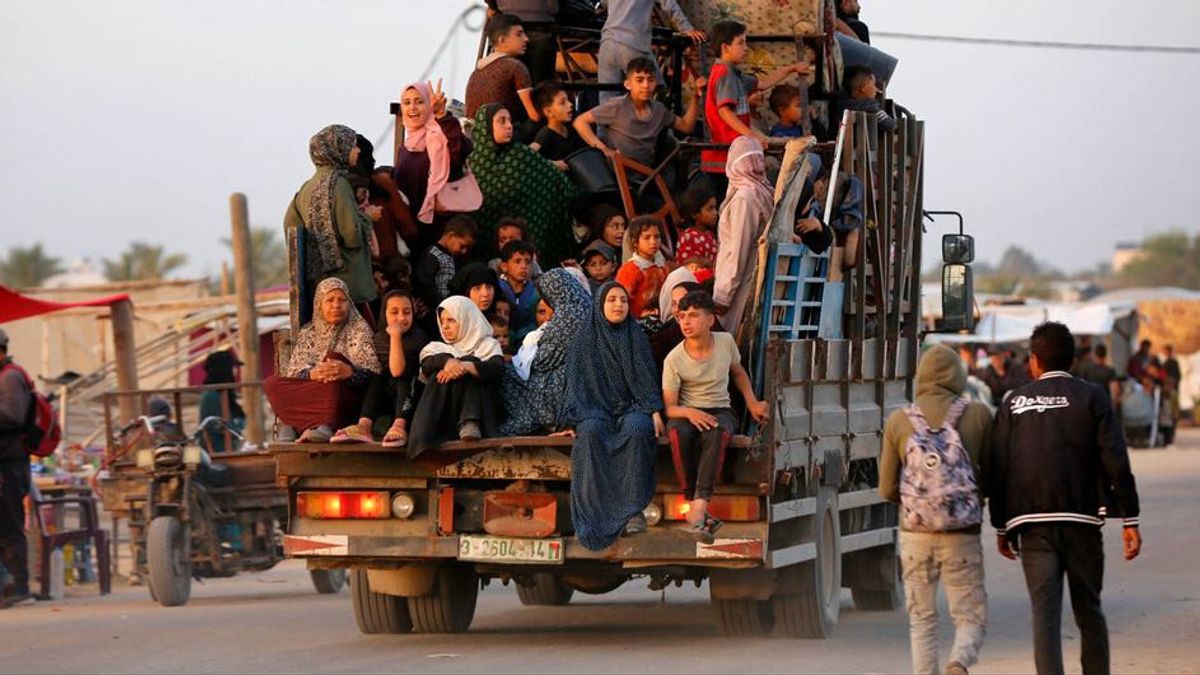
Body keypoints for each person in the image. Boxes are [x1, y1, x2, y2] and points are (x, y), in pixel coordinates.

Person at [989, 322, 1142, 675]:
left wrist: (1001, 524)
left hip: (1033, 525)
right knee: (1089, 608)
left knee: (1044, 615)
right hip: (1083, 522)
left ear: (1034, 361)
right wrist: (1130, 518)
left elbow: (999, 466)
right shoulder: (1093, 397)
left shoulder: (1014, 402)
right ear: (1072, 361)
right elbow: (1116, 458)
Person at [880, 344, 993, 675]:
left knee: (922, 621)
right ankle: (959, 661)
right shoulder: (978, 415)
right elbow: (995, 476)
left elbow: (887, 488)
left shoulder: (900, 421)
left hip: (916, 535)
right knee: (970, 617)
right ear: (958, 376)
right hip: (963, 534)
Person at [561, 282, 664, 550]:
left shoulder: (635, 335)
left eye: (623, 300)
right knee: (591, 432)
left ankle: (631, 512)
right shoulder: (585, 338)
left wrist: (653, 409)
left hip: (633, 406)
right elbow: (575, 384)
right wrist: (573, 419)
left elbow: (646, 379)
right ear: (600, 305)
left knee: (638, 429)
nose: (618, 305)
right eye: (612, 300)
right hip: (594, 408)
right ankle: (595, 514)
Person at [664, 291, 768, 537]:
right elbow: (670, 407)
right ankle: (691, 499)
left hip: (721, 409)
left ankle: (700, 504)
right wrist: (690, 413)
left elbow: (738, 373)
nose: (686, 323)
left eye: (693, 316)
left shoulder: (725, 342)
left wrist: (752, 403)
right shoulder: (674, 359)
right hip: (687, 411)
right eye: (682, 316)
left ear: (710, 320)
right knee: (679, 434)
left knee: (715, 432)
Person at [265, 278, 381, 443]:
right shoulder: (308, 332)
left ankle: (307, 426)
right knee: (272, 384)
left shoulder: (360, 330)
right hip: (314, 396)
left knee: (333, 361)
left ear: (349, 304)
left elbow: (374, 376)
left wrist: (349, 372)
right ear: (319, 303)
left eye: (342, 300)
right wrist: (312, 375)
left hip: (346, 399)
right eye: (330, 300)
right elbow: (295, 373)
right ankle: (304, 426)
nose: (336, 305)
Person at [285, 124, 380, 323]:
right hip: (350, 287)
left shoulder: (306, 188)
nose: (358, 150)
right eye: (353, 145)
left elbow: (290, 227)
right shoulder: (340, 184)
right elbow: (352, 236)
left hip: (323, 289)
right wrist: (367, 219)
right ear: (339, 149)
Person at [701, 20, 811, 184]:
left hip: (732, 154)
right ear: (725, 48)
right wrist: (752, 136)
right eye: (741, 43)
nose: (746, 48)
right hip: (725, 155)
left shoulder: (734, 74)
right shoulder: (724, 73)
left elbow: (762, 83)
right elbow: (725, 112)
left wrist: (791, 68)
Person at [472, 103, 578, 267]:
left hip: (532, 252)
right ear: (485, 126)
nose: (509, 126)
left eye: (509, 120)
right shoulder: (473, 164)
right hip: (489, 254)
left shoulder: (522, 155)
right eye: (501, 121)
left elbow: (559, 185)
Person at [329, 290, 430, 448]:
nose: (401, 318)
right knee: (377, 376)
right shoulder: (378, 339)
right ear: (384, 314)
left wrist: (395, 336)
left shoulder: (418, 338)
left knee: (404, 377)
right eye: (394, 312)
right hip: (385, 400)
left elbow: (397, 370)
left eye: (407, 312)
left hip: (410, 401)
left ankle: (399, 426)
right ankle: (364, 426)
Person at [408, 297, 506, 457]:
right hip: (447, 412)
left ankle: (470, 420)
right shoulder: (437, 347)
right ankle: (425, 433)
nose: (445, 326)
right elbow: (426, 364)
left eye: (451, 320)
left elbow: (497, 370)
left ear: (466, 318)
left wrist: (466, 366)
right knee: (437, 373)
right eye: (442, 320)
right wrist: (447, 362)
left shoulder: (488, 344)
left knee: (470, 361)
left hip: (484, 412)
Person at [501, 269, 593, 436]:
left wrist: (521, 358)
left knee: (506, 374)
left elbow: (543, 361)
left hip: (567, 385)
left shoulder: (569, 314)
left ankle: (526, 421)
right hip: (584, 383)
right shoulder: (587, 305)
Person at [576, 56, 704, 170]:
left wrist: (696, 97)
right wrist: (604, 150)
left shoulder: (659, 110)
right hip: (618, 172)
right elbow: (580, 122)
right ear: (628, 84)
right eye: (639, 80)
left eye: (651, 80)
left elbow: (686, 126)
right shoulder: (617, 106)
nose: (646, 85)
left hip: (645, 173)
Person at [392, 81, 474, 255]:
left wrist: (442, 115)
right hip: (412, 230)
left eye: (419, 101)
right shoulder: (407, 145)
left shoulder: (439, 135)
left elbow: (459, 150)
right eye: (407, 103)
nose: (412, 108)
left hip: (439, 231)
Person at [713, 136, 774, 339]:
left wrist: (723, 295)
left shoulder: (745, 198)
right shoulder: (763, 191)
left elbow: (738, 249)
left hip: (738, 285)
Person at [597, 0, 705, 102]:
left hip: (607, 42)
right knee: (656, 89)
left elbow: (603, 4)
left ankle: (608, 121)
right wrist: (686, 28)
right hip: (632, 42)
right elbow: (668, 4)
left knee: (607, 99)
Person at [465, 14, 540, 138]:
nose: (526, 39)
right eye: (519, 34)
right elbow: (534, 115)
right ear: (502, 40)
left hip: (479, 141)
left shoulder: (476, 72)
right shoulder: (515, 67)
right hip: (506, 141)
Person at [0, 329, 33, 606]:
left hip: (10, 464)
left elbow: (13, 415)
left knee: (9, 524)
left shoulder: (10, 376)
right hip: (5, 463)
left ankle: (19, 588)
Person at [414, 215, 477, 333]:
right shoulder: (433, 254)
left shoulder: (452, 256)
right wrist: (439, 303)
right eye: (462, 246)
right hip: (432, 310)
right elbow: (425, 284)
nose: (464, 251)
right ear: (450, 236)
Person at [615, 215, 669, 323]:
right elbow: (620, 300)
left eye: (657, 237)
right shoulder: (630, 269)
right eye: (647, 237)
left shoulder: (662, 266)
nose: (653, 242)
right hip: (636, 322)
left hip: (660, 319)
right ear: (635, 242)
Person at [197, 350, 247, 454]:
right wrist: (238, 425)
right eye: (233, 367)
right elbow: (218, 426)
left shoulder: (224, 393)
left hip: (227, 449)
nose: (236, 371)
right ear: (224, 369)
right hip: (217, 452)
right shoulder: (212, 395)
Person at [530, 81, 584, 166]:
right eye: (563, 103)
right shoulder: (545, 135)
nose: (570, 104)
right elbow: (528, 155)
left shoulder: (571, 126)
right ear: (548, 111)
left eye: (568, 100)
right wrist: (551, 164)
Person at [497, 240, 541, 344]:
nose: (523, 266)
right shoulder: (497, 289)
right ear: (504, 266)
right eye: (517, 261)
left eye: (527, 261)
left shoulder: (537, 292)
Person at [674, 185, 719, 267]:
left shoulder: (710, 234)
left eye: (715, 208)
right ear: (695, 214)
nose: (715, 213)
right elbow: (690, 266)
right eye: (710, 209)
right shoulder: (688, 237)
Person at [844, 65, 896, 133]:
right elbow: (890, 125)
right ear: (863, 87)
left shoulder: (842, 103)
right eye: (874, 84)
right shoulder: (868, 106)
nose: (877, 90)